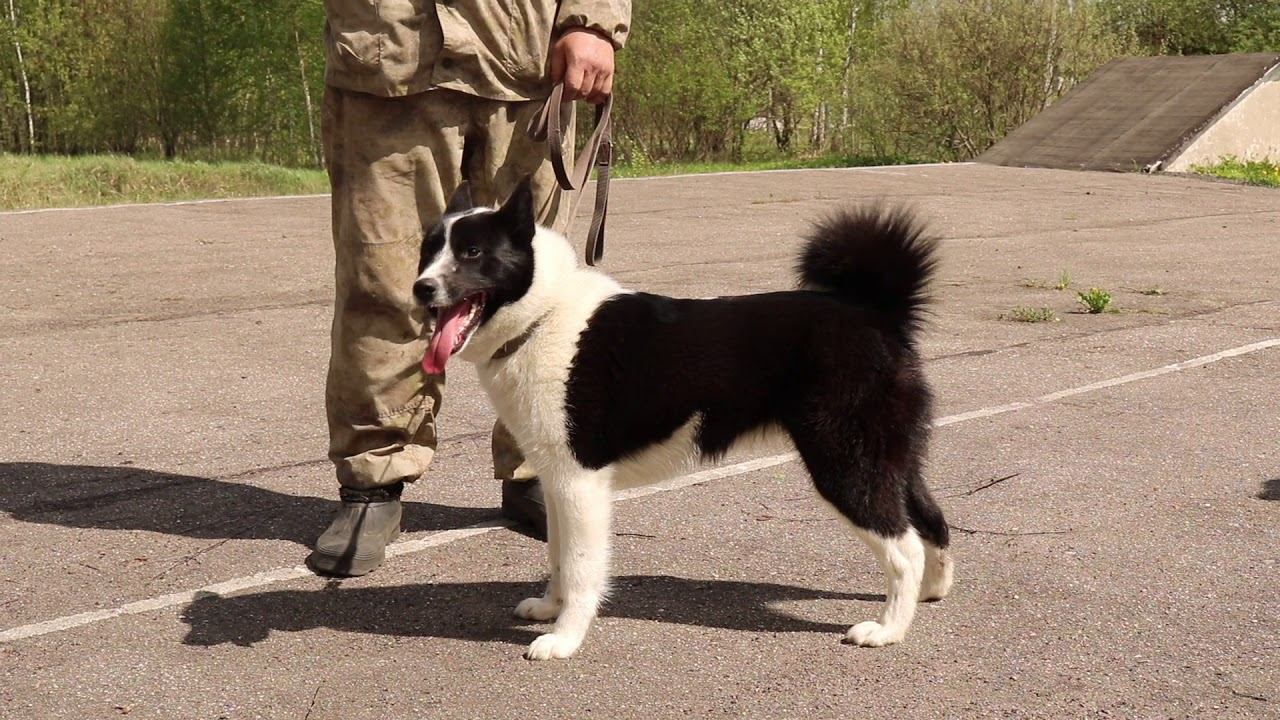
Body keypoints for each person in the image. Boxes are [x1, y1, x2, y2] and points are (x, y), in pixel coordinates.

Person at [307, 0, 631, 576]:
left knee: (532, 290)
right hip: (388, 58)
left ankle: (534, 468)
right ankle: (372, 485)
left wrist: (593, 23)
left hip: (525, 55)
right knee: (383, 285)